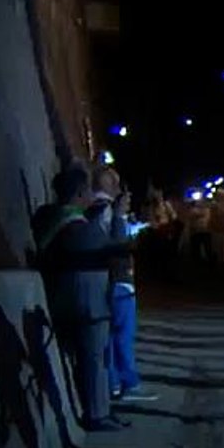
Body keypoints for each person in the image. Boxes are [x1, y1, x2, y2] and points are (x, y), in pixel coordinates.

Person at [32, 164, 132, 431]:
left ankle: (97, 410)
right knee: (94, 361)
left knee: (86, 361)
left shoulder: (47, 217)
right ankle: (97, 414)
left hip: (64, 299)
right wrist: (120, 218)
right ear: (78, 193)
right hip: (88, 304)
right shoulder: (79, 227)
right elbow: (115, 251)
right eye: (87, 189)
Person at [89, 167, 156, 403]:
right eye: (116, 183)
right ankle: (127, 383)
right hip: (118, 282)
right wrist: (121, 220)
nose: (120, 189)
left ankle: (116, 383)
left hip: (108, 282)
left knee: (113, 338)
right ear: (108, 185)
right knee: (122, 336)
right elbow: (116, 244)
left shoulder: (94, 210)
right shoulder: (108, 211)